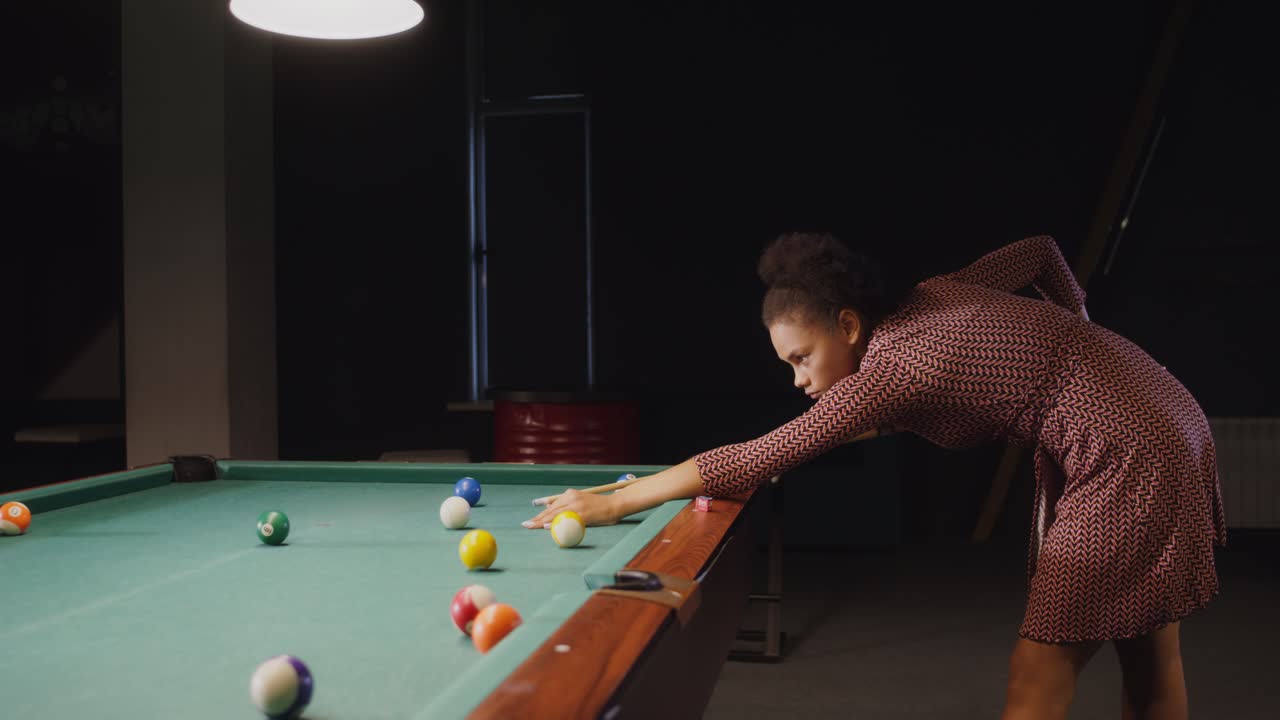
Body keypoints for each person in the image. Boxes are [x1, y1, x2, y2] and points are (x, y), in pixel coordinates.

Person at [523, 232, 1226, 720]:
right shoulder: (936, 294)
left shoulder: (887, 373)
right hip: (1164, 403)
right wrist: (1078, 335)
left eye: (801, 358)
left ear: (849, 325)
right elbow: (1042, 252)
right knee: (1148, 648)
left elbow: (755, 459)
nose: (798, 380)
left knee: (1039, 669)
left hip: (1124, 455)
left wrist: (616, 499)